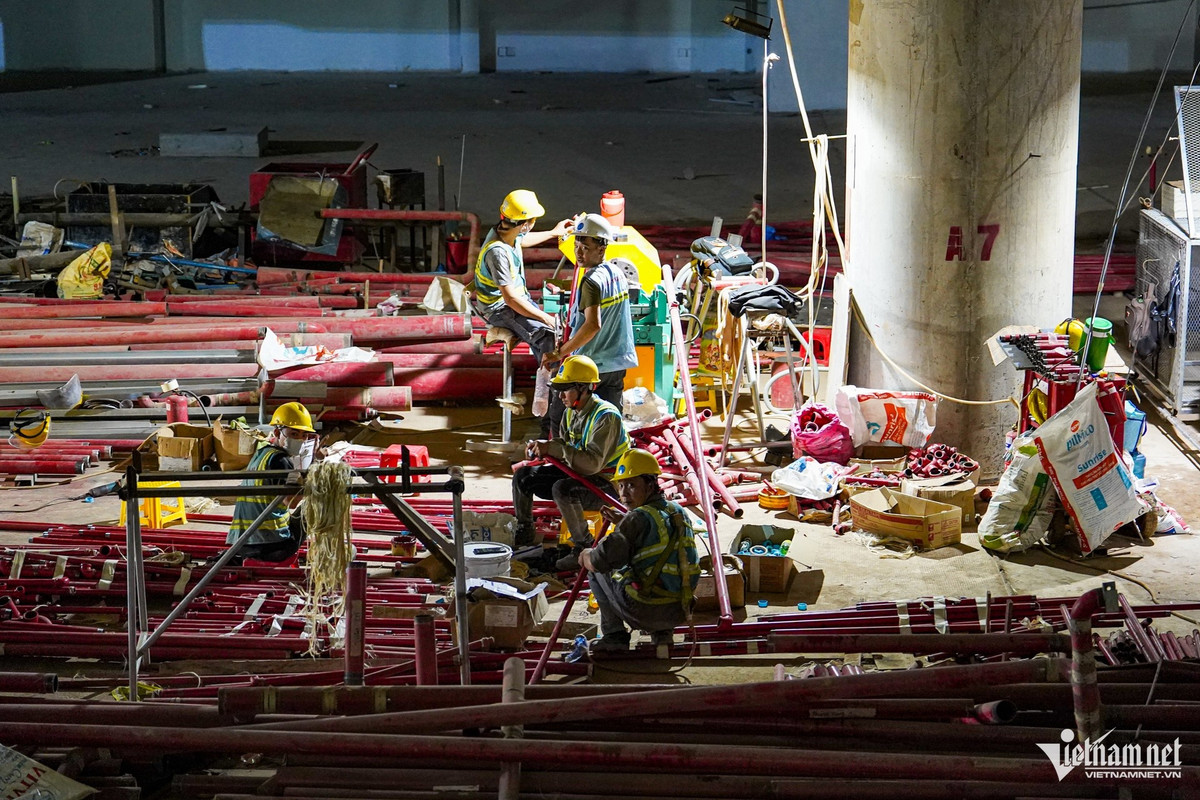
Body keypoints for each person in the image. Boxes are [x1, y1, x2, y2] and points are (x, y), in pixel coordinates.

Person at [512, 354, 629, 569]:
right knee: (523, 476)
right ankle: (524, 530)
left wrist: (553, 448)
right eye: (559, 389)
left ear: (585, 388)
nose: (560, 396)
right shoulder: (571, 412)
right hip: (580, 473)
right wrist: (544, 447)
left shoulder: (606, 416)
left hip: (609, 485)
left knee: (563, 489)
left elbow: (592, 464)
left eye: (565, 389)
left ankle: (583, 548)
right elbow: (565, 446)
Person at [579, 448, 700, 653]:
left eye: (632, 485)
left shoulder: (637, 518)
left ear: (651, 484)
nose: (624, 493)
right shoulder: (677, 511)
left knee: (597, 569)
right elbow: (656, 538)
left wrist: (584, 556)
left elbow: (600, 560)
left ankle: (614, 636)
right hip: (680, 609)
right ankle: (662, 634)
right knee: (660, 571)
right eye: (621, 485)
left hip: (645, 610)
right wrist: (624, 522)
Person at [543, 213, 638, 437]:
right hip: (617, 363)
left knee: (560, 419)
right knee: (609, 424)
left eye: (585, 248)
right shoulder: (617, 273)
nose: (578, 253)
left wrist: (559, 353)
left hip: (589, 367)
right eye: (576, 246)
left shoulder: (591, 282)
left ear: (602, 249)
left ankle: (562, 458)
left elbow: (592, 325)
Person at [473, 189, 573, 365]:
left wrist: (553, 232)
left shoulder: (505, 232)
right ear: (525, 225)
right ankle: (551, 381)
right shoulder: (498, 253)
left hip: (516, 300)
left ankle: (544, 369)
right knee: (548, 336)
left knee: (552, 329)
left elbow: (523, 239)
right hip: (500, 309)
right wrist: (546, 318)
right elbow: (510, 300)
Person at [225, 402, 318, 564]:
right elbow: (291, 502)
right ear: (277, 432)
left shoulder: (262, 453)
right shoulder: (281, 461)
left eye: (304, 435)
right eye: (293, 434)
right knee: (316, 506)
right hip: (272, 546)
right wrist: (314, 484)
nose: (299, 439)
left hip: (241, 543)